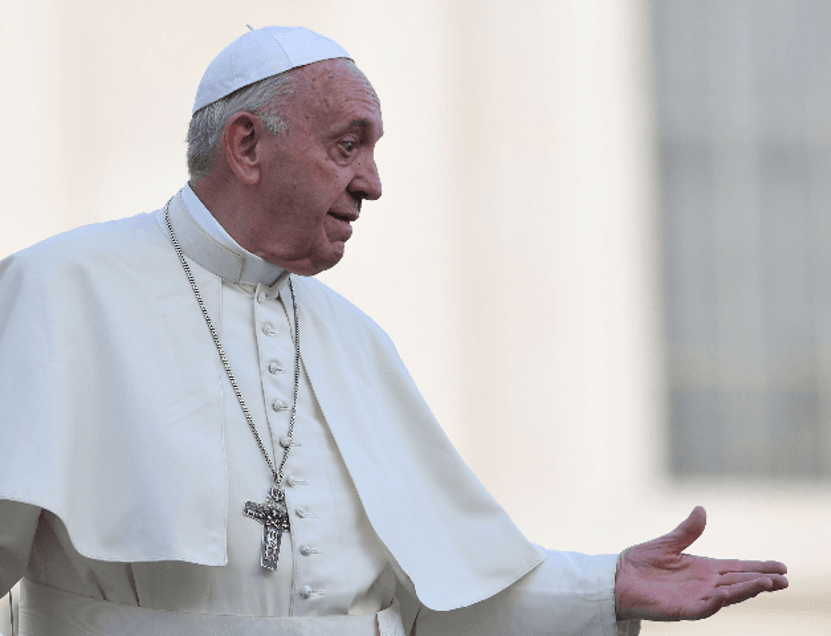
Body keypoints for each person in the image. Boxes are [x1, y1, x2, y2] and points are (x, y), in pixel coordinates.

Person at [0, 26, 787, 636]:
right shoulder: (63, 290)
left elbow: (438, 594)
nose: (372, 184)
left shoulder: (354, 339)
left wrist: (605, 583)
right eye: (348, 146)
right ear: (246, 146)